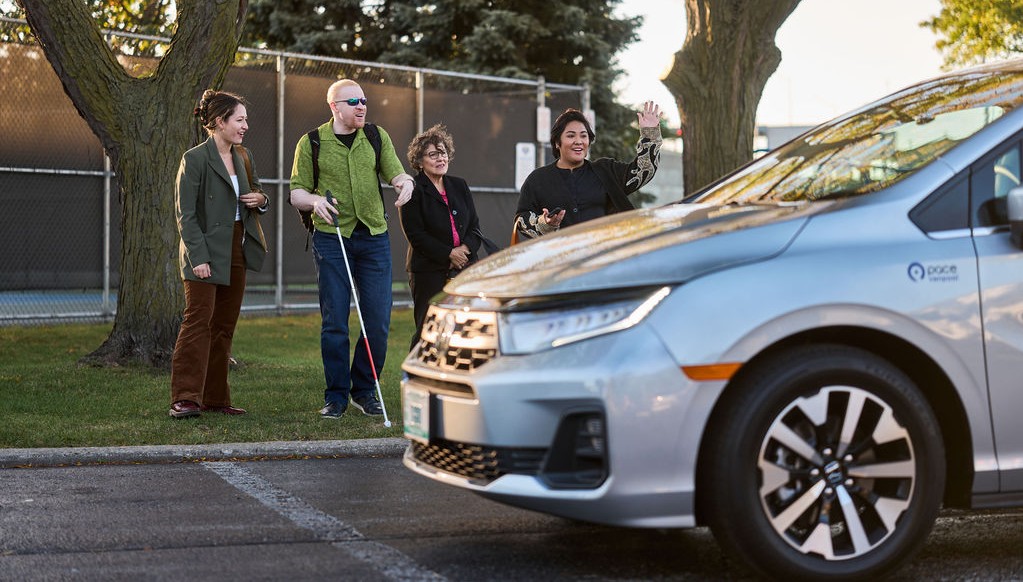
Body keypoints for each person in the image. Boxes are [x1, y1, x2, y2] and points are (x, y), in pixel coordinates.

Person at [289, 79, 415, 420]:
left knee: (377, 321)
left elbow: (397, 173)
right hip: (331, 238)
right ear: (335, 107)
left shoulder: (376, 136)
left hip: (374, 237)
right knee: (335, 322)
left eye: (364, 100)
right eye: (353, 101)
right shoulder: (312, 142)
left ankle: (364, 389)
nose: (362, 106)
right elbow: (296, 192)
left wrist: (407, 184)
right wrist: (315, 202)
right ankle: (337, 396)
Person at [169, 90, 270, 419]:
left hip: (237, 246)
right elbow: (186, 215)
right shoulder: (194, 159)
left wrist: (260, 199)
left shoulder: (243, 156)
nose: (245, 125)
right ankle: (184, 398)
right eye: (239, 120)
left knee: (224, 326)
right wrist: (198, 257)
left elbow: (257, 189)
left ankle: (215, 398)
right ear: (219, 122)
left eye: (245, 120)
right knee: (198, 323)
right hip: (204, 249)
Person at [514, 102, 662, 240]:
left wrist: (649, 135)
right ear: (557, 142)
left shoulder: (605, 170)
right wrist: (545, 223)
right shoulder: (538, 179)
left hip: (603, 256)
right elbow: (521, 220)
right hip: (560, 260)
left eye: (583, 136)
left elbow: (643, 171)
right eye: (571, 135)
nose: (578, 141)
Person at [399, 125, 483, 352]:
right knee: (429, 328)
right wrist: (449, 253)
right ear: (419, 161)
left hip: (465, 266)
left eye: (443, 152)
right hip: (428, 270)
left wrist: (464, 250)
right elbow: (416, 235)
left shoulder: (459, 185)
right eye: (432, 154)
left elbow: (474, 226)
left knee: (466, 328)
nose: (440, 158)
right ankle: (417, 375)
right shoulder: (413, 190)